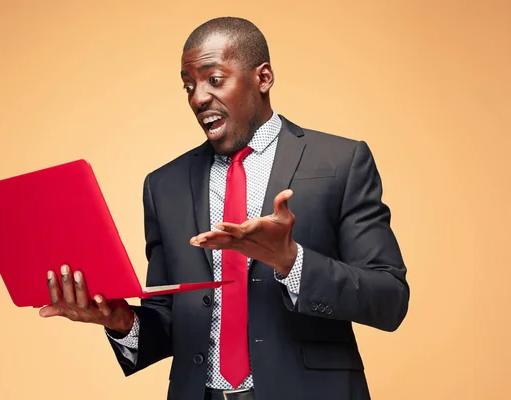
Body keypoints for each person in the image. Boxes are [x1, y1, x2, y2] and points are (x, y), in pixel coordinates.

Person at [39, 17, 410, 400]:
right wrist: (120, 320)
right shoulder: (163, 185)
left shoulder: (341, 162)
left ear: (262, 78)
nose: (198, 97)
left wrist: (292, 262)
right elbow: (169, 315)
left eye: (214, 79)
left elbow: (389, 299)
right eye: (189, 85)